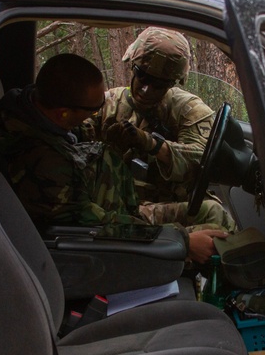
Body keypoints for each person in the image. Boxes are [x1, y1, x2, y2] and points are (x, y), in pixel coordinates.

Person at [0, 53, 227, 264]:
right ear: (65, 113)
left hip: (110, 210)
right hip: (101, 246)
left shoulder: (32, 112)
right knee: (216, 232)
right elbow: (101, 228)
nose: (99, 110)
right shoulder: (44, 165)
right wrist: (185, 242)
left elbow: (75, 136)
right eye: (93, 109)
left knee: (211, 211)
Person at [86, 26, 236, 231]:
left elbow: (201, 160)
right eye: (142, 76)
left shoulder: (187, 110)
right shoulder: (106, 105)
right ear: (133, 66)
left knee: (215, 215)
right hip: (117, 208)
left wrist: (152, 144)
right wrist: (109, 149)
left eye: (158, 84)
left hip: (170, 203)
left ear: (173, 83)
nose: (146, 89)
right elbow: (73, 152)